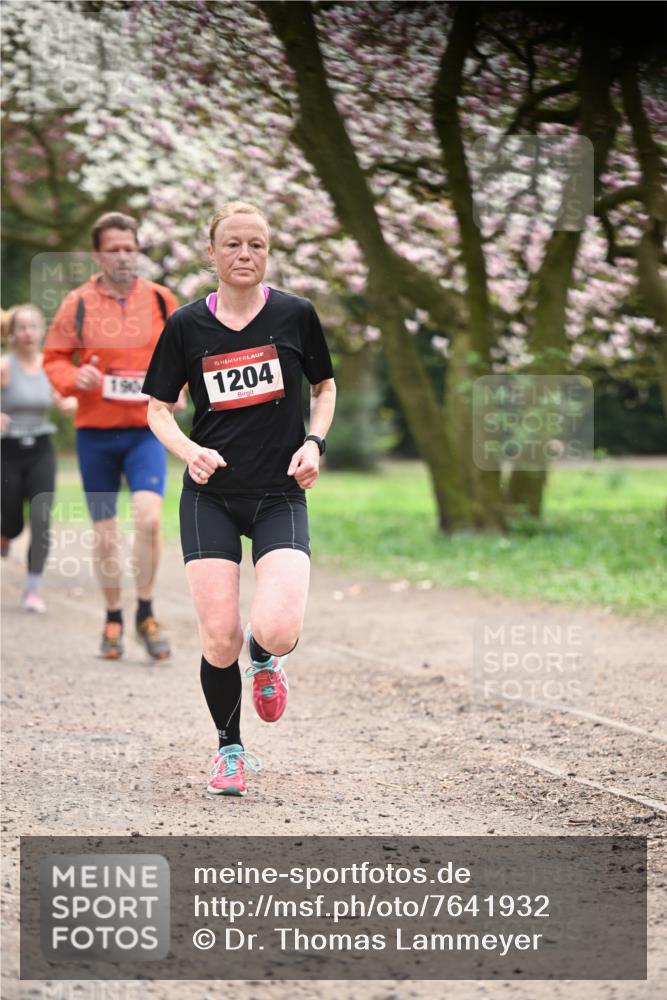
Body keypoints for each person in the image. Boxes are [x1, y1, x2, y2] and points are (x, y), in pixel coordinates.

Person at [143, 201, 336, 796]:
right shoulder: (185, 326)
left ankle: (267, 658)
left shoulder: (296, 315)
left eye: (256, 244)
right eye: (232, 245)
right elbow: (157, 410)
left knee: (275, 628)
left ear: (268, 252)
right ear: (212, 254)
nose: (244, 254)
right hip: (211, 496)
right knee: (217, 635)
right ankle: (230, 750)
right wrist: (187, 451)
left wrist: (314, 442)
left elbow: (325, 388)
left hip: (280, 492)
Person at [43, 212, 183, 660]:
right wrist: (73, 378)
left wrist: (178, 390)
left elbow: (187, 357)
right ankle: (112, 618)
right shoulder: (77, 303)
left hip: (146, 432)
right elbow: (54, 359)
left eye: (130, 248)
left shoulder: (162, 301)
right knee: (105, 535)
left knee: (148, 519)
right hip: (96, 435)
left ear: (138, 250)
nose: (123, 256)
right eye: (114, 249)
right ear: (97, 254)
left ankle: (145, 611)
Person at [1, 304, 77, 612]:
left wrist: (69, 403)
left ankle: (33, 588)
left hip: (42, 449)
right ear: (13, 333)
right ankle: (6, 532)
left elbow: (68, 396)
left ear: (40, 331)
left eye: (33, 326)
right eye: (22, 327)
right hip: (7, 450)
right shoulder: (4, 367)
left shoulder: (50, 367)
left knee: (42, 516)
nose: (28, 333)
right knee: (11, 519)